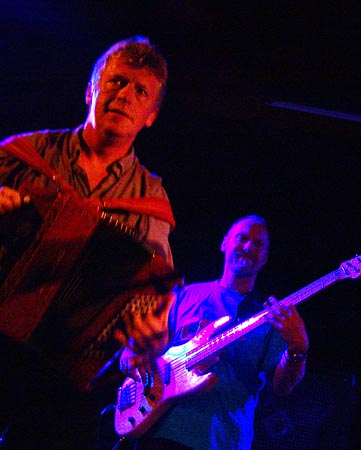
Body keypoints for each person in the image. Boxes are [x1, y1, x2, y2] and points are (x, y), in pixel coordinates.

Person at [0, 36, 176, 449]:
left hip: (65, 375)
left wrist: (152, 337)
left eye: (141, 91)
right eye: (116, 81)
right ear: (90, 90)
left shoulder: (151, 201)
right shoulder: (22, 154)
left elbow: (156, 294)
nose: (125, 95)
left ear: (150, 116)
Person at [118, 214, 310, 450]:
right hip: (161, 430)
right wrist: (130, 355)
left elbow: (283, 388)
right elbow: (139, 344)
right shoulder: (185, 295)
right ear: (224, 243)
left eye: (258, 244)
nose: (248, 247)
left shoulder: (269, 317)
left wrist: (298, 349)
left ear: (265, 258)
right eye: (242, 238)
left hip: (222, 440)